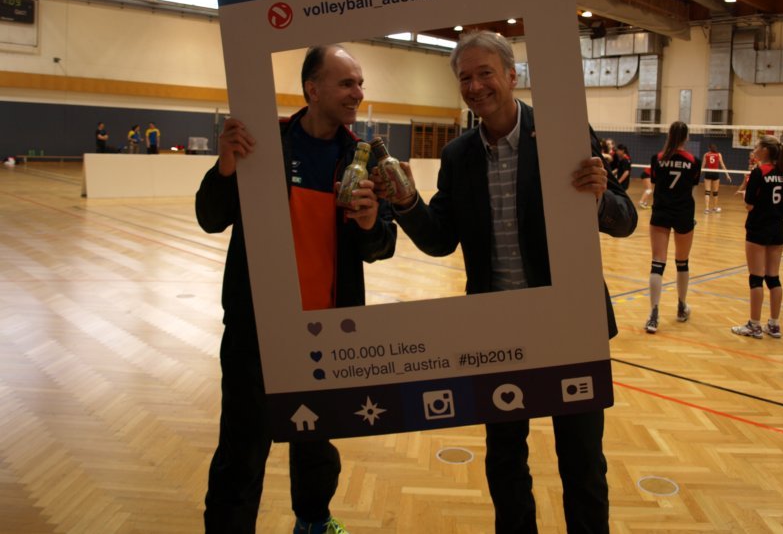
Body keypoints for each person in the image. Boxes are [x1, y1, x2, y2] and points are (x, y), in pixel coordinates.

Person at [375, 30, 637, 533]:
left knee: (582, 462)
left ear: (513, 76)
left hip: (567, 324)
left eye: (485, 73)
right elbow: (440, 240)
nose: (474, 86)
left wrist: (599, 198)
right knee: (504, 460)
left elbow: (624, 219)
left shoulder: (560, 131)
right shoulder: (458, 156)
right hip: (495, 330)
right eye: (465, 78)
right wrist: (406, 202)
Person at [196, 45, 397, 534]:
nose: (358, 93)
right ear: (313, 89)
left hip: (327, 332)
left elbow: (382, 246)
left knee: (316, 444)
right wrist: (225, 166)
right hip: (256, 331)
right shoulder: (262, 144)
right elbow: (210, 217)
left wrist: (370, 223)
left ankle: (312, 521)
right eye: (346, 83)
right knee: (242, 450)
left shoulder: (364, 158)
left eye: (360, 83)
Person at [731, 136, 783, 339]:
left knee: (756, 278)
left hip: (758, 229)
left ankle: (754, 325)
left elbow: (749, 206)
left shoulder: (758, 173)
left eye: (757, 146)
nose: (754, 148)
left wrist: (746, 197)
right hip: (777, 230)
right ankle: (774, 325)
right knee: (773, 277)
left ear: (765, 150)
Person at [645, 121, 701, 334]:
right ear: (686, 137)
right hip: (684, 213)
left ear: (669, 135)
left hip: (661, 212)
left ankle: (653, 314)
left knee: (657, 262)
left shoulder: (658, 159)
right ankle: (681, 306)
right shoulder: (694, 161)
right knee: (682, 262)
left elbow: (656, 184)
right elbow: (692, 188)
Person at [701, 143, 731, 213]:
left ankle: (706, 209)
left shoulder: (706, 155)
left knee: (707, 192)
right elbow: (722, 165)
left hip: (708, 172)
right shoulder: (718, 154)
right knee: (715, 192)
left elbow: (703, 166)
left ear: (709, 148)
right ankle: (715, 208)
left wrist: (698, 175)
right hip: (715, 173)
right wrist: (727, 175)